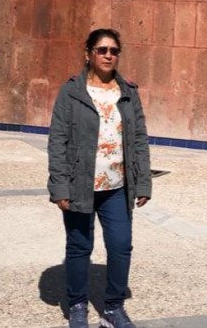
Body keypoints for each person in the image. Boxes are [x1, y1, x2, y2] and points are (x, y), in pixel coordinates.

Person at [47, 29, 152, 328]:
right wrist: (59, 186)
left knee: (121, 245)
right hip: (80, 185)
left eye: (114, 51)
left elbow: (139, 139)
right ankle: (77, 305)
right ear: (88, 53)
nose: (108, 55)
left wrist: (143, 182)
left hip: (117, 186)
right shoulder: (72, 91)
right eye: (102, 50)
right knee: (79, 246)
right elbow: (57, 140)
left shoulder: (128, 92)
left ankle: (113, 308)